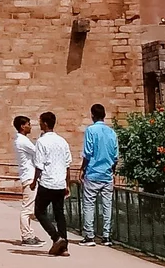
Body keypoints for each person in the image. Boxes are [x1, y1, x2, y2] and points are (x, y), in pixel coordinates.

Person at [31, 111, 72, 256]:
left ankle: (56, 237)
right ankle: (64, 247)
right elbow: (67, 165)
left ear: (45, 123)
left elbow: (39, 165)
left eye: (41, 121)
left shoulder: (42, 142)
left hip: (47, 181)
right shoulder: (62, 141)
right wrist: (67, 184)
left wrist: (34, 181)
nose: (39, 124)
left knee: (39, 211)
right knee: (59, 214)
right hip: (60, 182)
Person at [81, 103, 119, 246]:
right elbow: (115, 156)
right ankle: (106, 236)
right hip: (107, 174)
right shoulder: (112, 133)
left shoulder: (90, 131)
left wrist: (83, 169)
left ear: (92, 115)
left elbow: (88, 152)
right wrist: (112, 171)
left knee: (89, 205)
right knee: (107, 206)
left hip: (93, 173)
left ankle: (89, 236)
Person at [13, 115, 44, 246]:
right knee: (27, 208)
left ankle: (29, 233)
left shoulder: (22, 140)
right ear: (22, 126)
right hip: (29, 176)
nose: (30, 126)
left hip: (28, 175)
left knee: (30, 208)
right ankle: (26, 236)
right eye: (28, 124)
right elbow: (37, 151)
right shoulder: (22, 141)